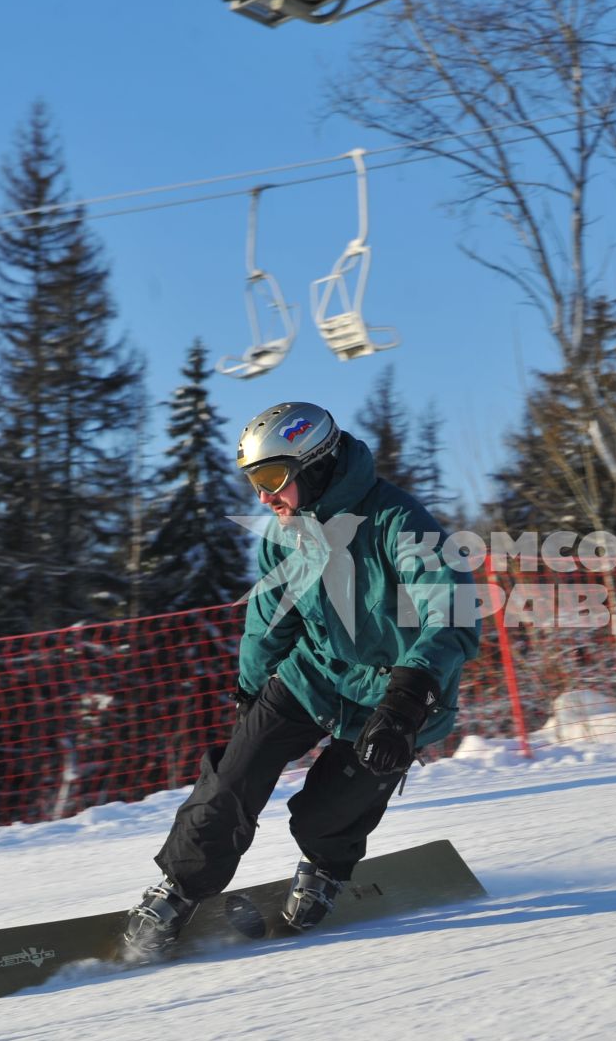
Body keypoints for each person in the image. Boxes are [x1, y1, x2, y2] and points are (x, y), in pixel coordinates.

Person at [122, 400, 480, 957]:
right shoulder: (283, 535)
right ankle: (180, 887)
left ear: (313, 465)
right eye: (252, 483)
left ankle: (326, 865)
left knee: (323, 815)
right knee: (234, 775)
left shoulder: (399, 523)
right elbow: (268, 621)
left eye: (272, 478)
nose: (264, 497)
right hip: (313, 673)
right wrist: (251, 693)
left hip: (395, 691)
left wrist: (407, 706)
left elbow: (452, 615)